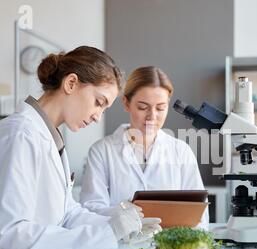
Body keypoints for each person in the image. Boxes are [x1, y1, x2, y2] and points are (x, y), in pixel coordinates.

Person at [0, 46, 151, 249]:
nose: (98, 116)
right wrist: (108, 232)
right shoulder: (20, 135)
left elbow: (66, 214)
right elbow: (10, 236)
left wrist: (118, 222)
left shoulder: (49, 138)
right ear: (71, 84)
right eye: (99, 102)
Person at [80, 66, 209, 230]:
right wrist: (125, 214)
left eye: (161, 108)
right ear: (126, 103)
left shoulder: (181, 151)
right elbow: (90, 209)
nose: (152, 116)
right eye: (143, 107)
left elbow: (200, 216)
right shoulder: (102, 151)